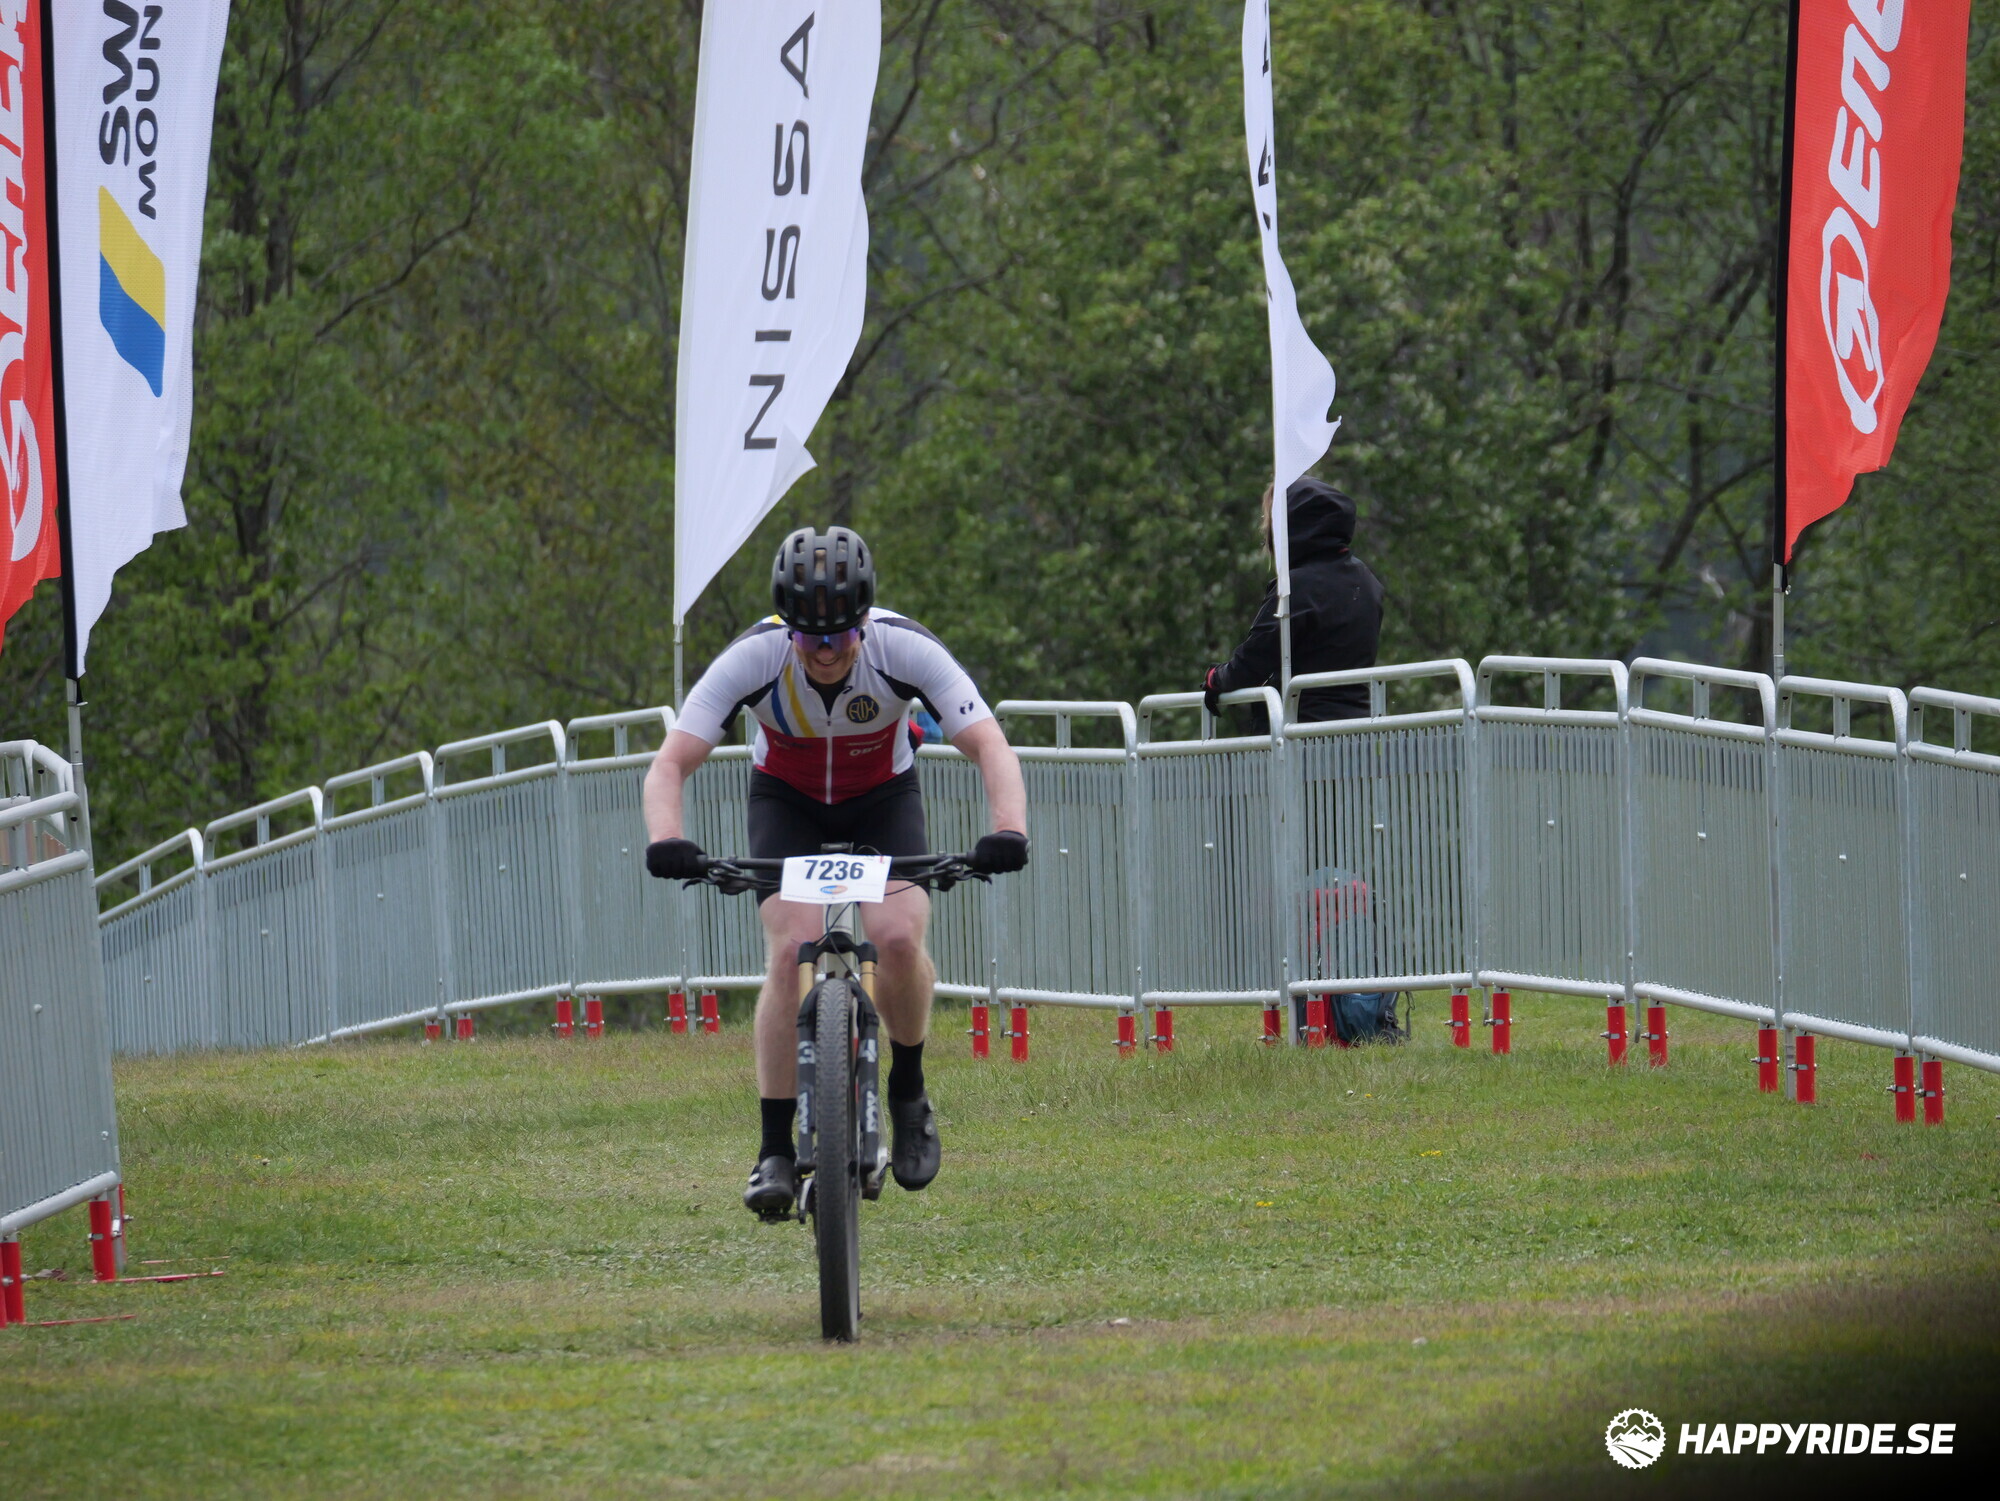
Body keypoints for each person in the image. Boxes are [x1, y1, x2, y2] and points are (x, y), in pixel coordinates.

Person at [641, 526, 1029, 1220]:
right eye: (808, 637)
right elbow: (669, 763)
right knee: (790, 949)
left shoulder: (904, 647)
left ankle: (907, 1090)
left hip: (882, 798)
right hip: (786, 801)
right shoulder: (753, 656)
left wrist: (1009, 829)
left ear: (864, 622)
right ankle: (773, 1147)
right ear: (786, 628)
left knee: (898, 937)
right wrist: (667, 838)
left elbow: (989, 745)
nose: (825, 652)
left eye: (841, 635)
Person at [1202, 478, 1383, 726]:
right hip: (1356, 728)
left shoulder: (1296, 586)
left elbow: (1252, 662)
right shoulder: (1366, 579)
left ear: (1292, 524)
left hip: (1301, 730)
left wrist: (1215, 678)